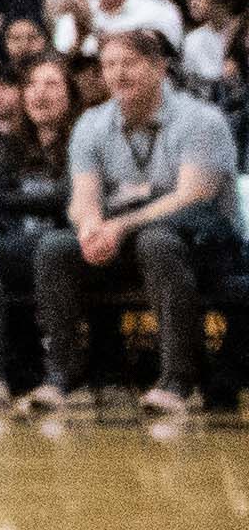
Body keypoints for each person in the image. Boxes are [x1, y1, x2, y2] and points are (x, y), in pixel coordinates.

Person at [44, 27, 235, 418]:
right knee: (55, 248)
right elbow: (83, 197)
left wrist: (119, 226)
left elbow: (192, 196)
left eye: (129, 63)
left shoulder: (202, 120)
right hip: (125, 234)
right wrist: (90, 227)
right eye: (109, 64)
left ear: (160, 68)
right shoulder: (91, 124)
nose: (118, 74)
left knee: (157, 242)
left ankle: (177, 381)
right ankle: (65, 375)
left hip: (200, 237)